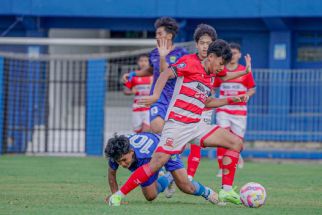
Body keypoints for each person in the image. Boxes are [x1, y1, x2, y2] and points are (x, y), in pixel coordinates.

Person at [108, 38, 251, 206]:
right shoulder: (190, 62)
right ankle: (118, 195)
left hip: (197, 125)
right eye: (220, 63)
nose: (221, 68)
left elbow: (206, 102)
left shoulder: (211, 75)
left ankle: (226, 190)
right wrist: (155, 96)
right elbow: (166, 73)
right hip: (177, 125)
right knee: (156, 164)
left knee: (235, 143)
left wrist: (231, 99)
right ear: (211, 56)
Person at [105, 132, 220, 206]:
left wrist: (119, 195)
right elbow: (111, 174)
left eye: (124, 160)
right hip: (150, 150)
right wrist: (115, 196)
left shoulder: (144, 156)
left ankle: (209, 193)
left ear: (131, 151)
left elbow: (139, 176)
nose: (123, 164)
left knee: (186, 187)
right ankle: (168, 177)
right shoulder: (117, 152)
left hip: (166, 149)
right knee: (150, 196)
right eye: (119, 162)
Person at [122, 17, 188, 134]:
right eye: (156, 34)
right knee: (157, 128)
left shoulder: (181, 54)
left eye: (159, 33)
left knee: (173, 135)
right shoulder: (154, 53)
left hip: (176, 99)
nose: (156, 36)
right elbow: (151, 70)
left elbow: (166, 73)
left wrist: (163, 57)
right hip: (158, 98)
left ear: (169, 36)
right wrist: (133, 74)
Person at [214, 42, 256, 177]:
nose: (232, 56)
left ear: (240, 55)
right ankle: (221, 167)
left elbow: (252, 89)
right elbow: (213, 86)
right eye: (230, 53)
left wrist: (247, 96)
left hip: (239, 111)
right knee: (222, 137)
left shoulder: (245, 70)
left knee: (237, 142)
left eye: (235, 53)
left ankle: (235, 157)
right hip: (223, 109)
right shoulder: (222, 71)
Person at [123, 54, 153, 133]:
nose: (143, 63)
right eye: (141, 61)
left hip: (149, 107)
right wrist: (131, 91)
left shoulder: (153, 75)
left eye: (145, 61)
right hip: (137, 107)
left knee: (146, 130)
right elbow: (126, 91)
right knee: (137, 131)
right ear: (138, 62)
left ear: (149, 62)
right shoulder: (133, 75)